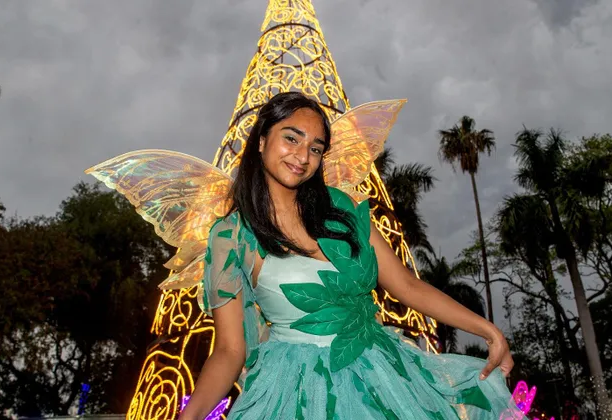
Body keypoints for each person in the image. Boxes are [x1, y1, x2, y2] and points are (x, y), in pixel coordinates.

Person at [171, 92, 522, 420]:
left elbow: (407, 286)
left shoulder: (342, 209)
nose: (303, 156)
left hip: (382, 374)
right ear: (261, 140)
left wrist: (488, 331)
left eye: (316, 148)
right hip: (297, 393)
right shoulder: (231, 235)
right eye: (291, 138)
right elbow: (230, 351)